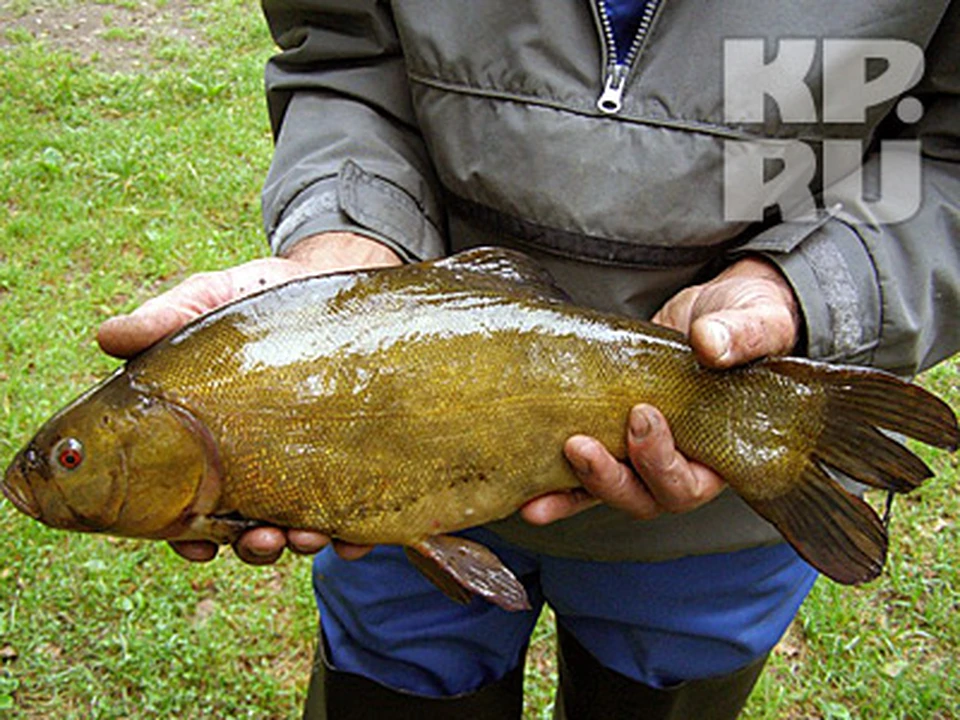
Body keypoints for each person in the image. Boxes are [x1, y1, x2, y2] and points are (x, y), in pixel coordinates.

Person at [97, 2, 960, 718]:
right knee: (398, 681)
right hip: (407, 503)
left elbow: (946, 152)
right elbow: (342, 55)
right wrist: (345, 235)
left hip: (712, 525)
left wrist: (800, 291)